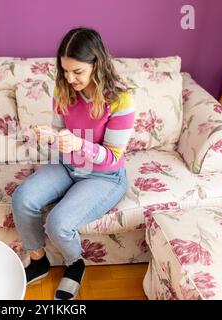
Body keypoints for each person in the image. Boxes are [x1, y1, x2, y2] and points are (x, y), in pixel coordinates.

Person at [11, 27, 135, 300]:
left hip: (104, 176)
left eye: (77, 71)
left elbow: (113, 155)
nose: (69, 78)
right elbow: (60, 135)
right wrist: (48, 137)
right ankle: (38, 259)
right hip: (68, 166)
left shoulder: (120, 100)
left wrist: (79, 144)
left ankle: (75, 263)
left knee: (58, 223)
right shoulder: (63, 89)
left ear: (97, 64)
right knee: (22, 198)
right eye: (65, 70)